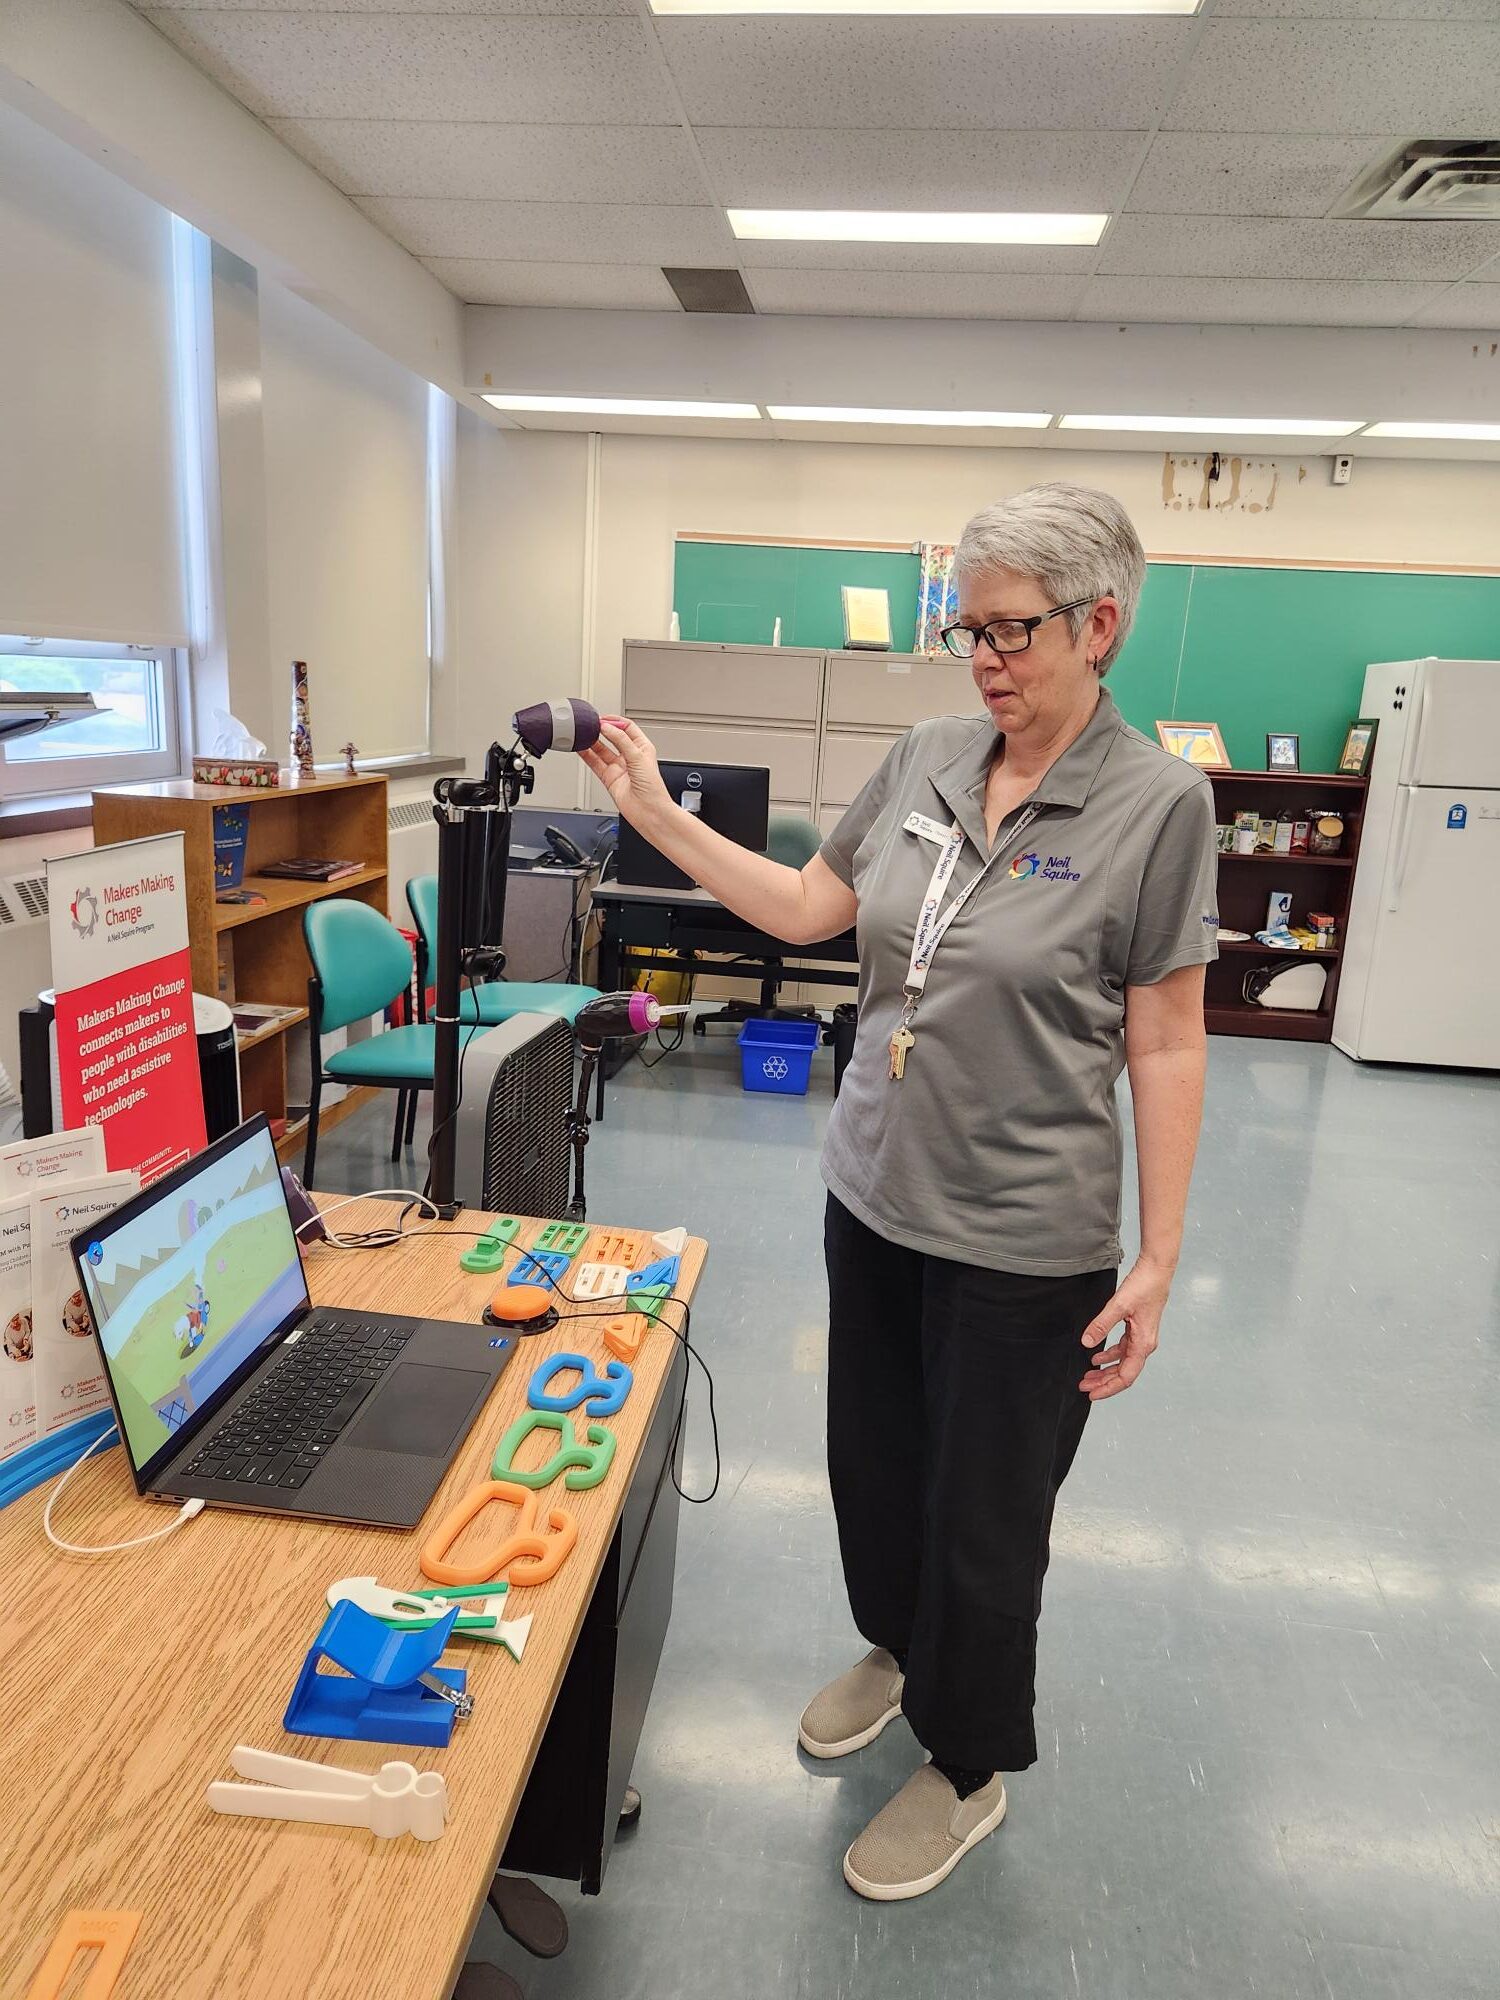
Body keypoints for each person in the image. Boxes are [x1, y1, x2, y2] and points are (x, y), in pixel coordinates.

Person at [579, 482, 1217, 1902]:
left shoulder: (1160, 805)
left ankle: (970, 1759)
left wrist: (1160, 1259)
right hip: (871, 1195)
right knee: (873, 1468)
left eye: (1014, 631)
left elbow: (1167, 1038)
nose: (984, 660)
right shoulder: (929, 754)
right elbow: (813, 911)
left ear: (1100, 625)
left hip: (1026, 1236)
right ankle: (897, 1647)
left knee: (985, 1516)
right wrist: (656, 816)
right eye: (966, 629)